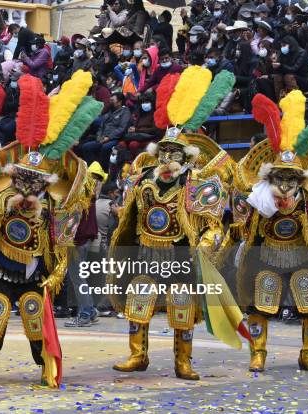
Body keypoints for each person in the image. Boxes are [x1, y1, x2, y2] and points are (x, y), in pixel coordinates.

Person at [0, 75, 99, 388]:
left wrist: (56, 274)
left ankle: (46, 366)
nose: (28, 187)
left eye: (35, 182)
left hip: (35, 266)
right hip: (0, 265)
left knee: (35, 314)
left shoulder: (53, 207)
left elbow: (62, 243)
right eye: (24, 179)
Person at [110, 66, 238, 381]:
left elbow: (214, 225)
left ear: (187, 157)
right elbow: (127, 220)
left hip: (181, 259)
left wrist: (207, 246)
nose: (168, 158)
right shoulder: (142, 181)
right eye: (164, 152)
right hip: (148, 257)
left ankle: (183, 361)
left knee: (182, 305)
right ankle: (137, 355)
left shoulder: (198, 184)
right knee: (139, 299)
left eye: (175, 153)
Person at [233, 91, 308, 373]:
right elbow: (247, 228)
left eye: (290, 177)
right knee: (261, 303)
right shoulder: (261, 199)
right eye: (280, 177)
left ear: (299, 179)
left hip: (302, 257)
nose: (285, 182)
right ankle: (258, 354)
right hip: (268, 256)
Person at [64, 162, 106, 327]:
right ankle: (92, 311)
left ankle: (85, 314)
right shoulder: (91, 194)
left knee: (78, 278)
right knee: (80, 277)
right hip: (84, 240)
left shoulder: (81, 194)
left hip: (78, 240)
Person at [77, 92, 131, 169]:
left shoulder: (125, 112)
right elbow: (101, 127)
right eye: (110, 100)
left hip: (115, 138)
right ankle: (92, 168)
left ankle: (103, 170)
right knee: (86, 146)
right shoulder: (110, 111)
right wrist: (99, 136)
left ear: (119, 102)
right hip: (102, 138)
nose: (110, 102)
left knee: (105, 147)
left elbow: (122, 128)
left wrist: (108, 137)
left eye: (113, 100)